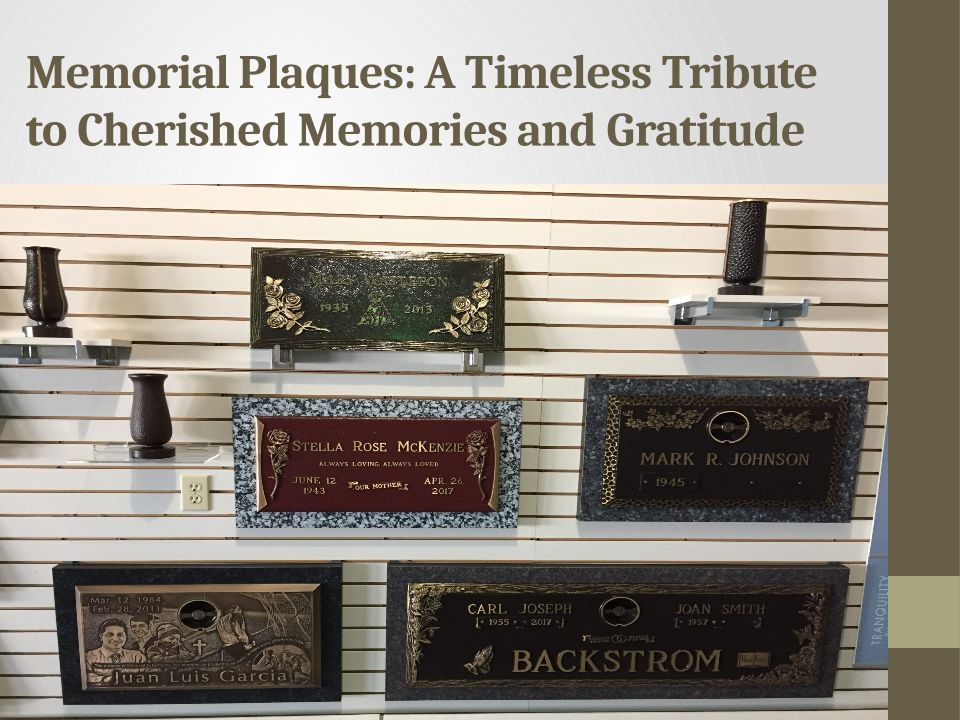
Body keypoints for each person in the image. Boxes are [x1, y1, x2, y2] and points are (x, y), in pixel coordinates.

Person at [84, 619, 145, 685]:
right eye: (110, 635)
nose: (115, 639)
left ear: (125, 637)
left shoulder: (138, 657)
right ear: (101, 637)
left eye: (120, 635)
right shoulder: (88, 657)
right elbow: (89, 682)